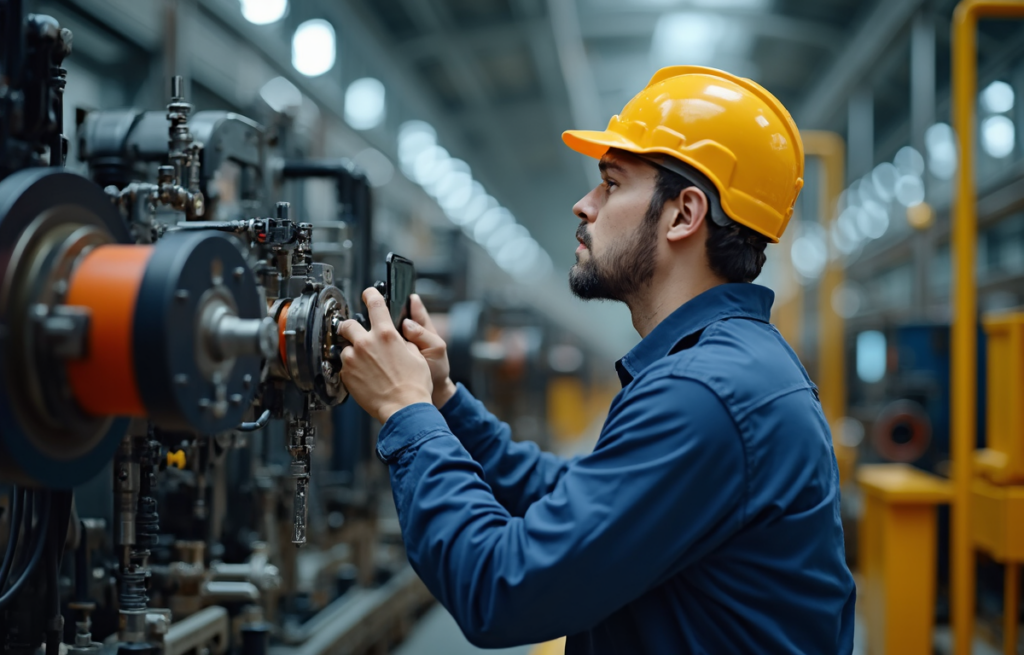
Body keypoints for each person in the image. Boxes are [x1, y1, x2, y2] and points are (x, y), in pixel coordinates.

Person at [338, 66, 855, 654]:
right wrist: (443, 401)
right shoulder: (724, 369)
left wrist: (405, 414)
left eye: (611, 183)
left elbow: (501, 590)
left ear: (684, 215)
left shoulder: (705, 394)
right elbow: (578, 499)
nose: (584, 205)